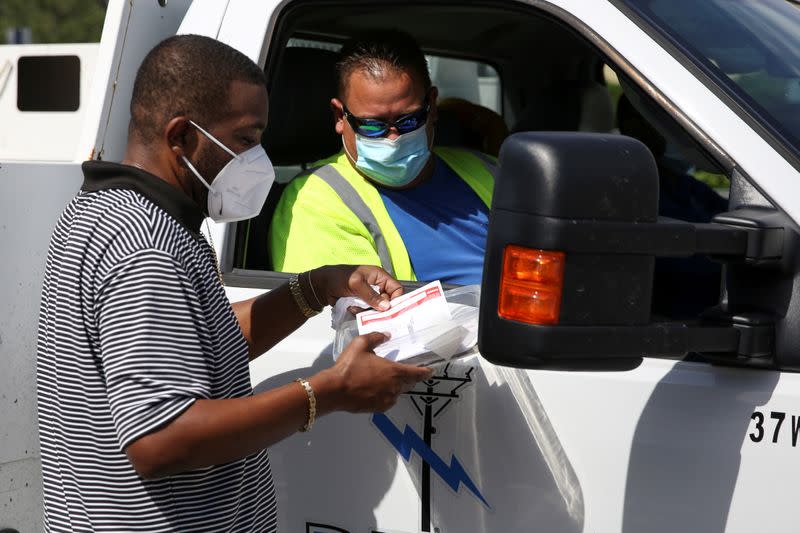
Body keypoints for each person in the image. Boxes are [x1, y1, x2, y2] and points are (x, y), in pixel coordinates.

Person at [36, 34, 432, 533]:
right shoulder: (145, 247)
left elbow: (199, 345)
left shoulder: (112, 213)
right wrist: (329, 392)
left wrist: (315, 288)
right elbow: (162, 438)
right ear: (182, 137)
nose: (257, 158)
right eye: (246, 139)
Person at [268, 30, 498, 285]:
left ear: (432, 106)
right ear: (339, 117)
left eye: (409, 120)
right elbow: (355, 317)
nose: (393, 138)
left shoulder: (489, 169)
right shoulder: (315, 200)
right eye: (372, 125)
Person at [616, 93, 728, 317]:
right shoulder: (626, 188)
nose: (669, 129)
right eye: (658, 119)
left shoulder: (672, 177)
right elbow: (683, 263)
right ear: (629, 125)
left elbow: (730, 213)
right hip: (678, 326)